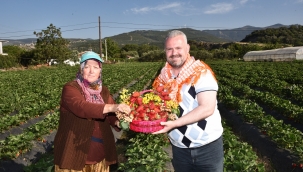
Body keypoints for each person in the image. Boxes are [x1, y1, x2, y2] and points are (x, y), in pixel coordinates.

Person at [152, 30, 224, 172]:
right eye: (169, 49)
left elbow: (207, 107)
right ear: (165, 51)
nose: (174, 53)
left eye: (178, 48)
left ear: (187, 48)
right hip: (179, 148)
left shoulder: (201, 73)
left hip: (207, 147)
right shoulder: (163, 76)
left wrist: (175, 123)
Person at [54, 51, 131, 172]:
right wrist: (112, 107)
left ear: (100, 71)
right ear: (81, 69)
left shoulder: (104, 91)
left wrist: (117, 122)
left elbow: (110, 116)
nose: (91, 71)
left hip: (99, 152)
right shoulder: (71, 88)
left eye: (96, 67)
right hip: (74, 152)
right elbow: (81, 107)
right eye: (87, 66)